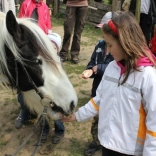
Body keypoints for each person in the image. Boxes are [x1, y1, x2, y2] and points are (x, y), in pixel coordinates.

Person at [62, 11, 156, 156]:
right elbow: (99, 99)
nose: (108, 50)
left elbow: (154, 122)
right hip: (107, 143)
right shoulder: (112, 68)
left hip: (131, 150)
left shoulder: (147, 76)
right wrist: (77, 116)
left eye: (110, 45)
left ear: (125, 43)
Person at [81, 12, 114, 156]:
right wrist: (89, 71)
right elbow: (92, 63)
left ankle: (109, 144)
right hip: (98, 90)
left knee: (110, 120)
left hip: (111, 91)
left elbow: (114, 68)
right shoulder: (100, 45)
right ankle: (95, 142)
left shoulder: (119, 49)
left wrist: (97, 68)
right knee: (97, 119)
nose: (102, 32)